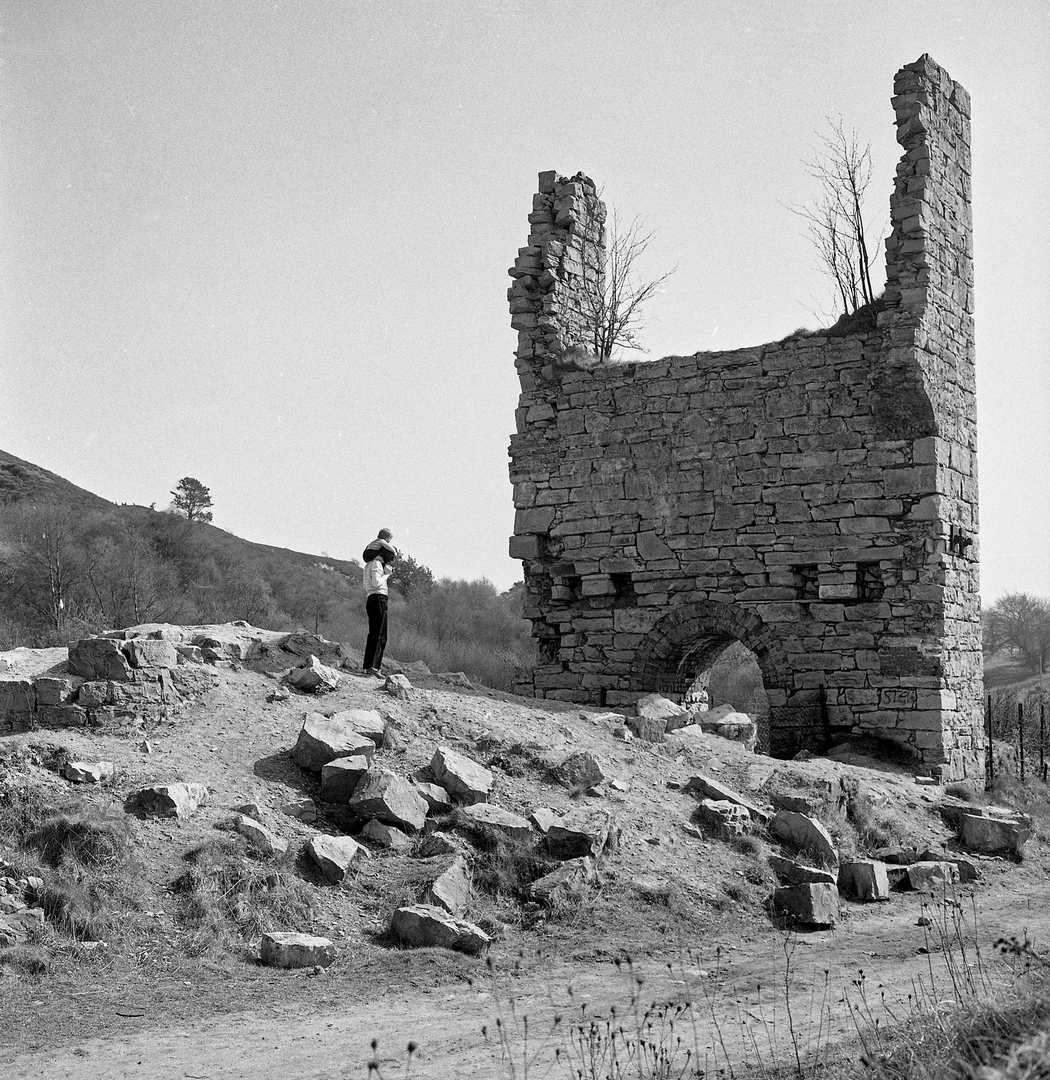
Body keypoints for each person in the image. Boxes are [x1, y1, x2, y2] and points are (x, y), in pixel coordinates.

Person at [362, 529, 396, 676]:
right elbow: (377, 583)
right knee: (380, 634)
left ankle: (369, 666)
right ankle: (374, 668)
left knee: (374, 633)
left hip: (371, 598)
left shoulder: (367, 565)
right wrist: (387, 575)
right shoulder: (376, 564)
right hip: (379, 598)